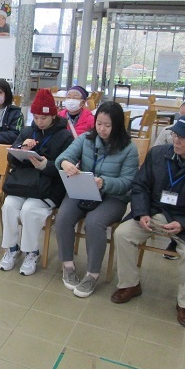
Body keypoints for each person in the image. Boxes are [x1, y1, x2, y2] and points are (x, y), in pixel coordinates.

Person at [112, 114, 185, 329]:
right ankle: (130, 284)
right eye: (175, 135)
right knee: (122, 234)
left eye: (184, 138)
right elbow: (140, 187)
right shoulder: (157, 154)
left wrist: (184, 224)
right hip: (154, 212)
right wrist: (142, 212)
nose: (176, 141)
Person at [51, 99, 137, 300]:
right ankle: (68, 266)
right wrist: (65, 164)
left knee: (94, 222)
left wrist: (104, 182)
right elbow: (61, 158)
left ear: (117, 125)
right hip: (84, 189)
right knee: (62, 218)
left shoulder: (129, 148)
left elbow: (128, 182)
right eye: (99, 124)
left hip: (113, 197)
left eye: (108, 125)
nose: (102, 129)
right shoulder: (85, 139)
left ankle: (92, 274)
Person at [0, 88, 74, 278]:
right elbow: (11, 158)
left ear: (53, 116)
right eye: (36, 117)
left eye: (43, 118)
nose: (39, 122)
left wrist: (45, 165)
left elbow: (67, 168)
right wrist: (22, 149)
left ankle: (32, 252)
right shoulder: (27, 131)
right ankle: (12, 248)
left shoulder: (65, 136)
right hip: (24, 183)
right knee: (9, 206)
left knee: (29, 210)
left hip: (49, 187)